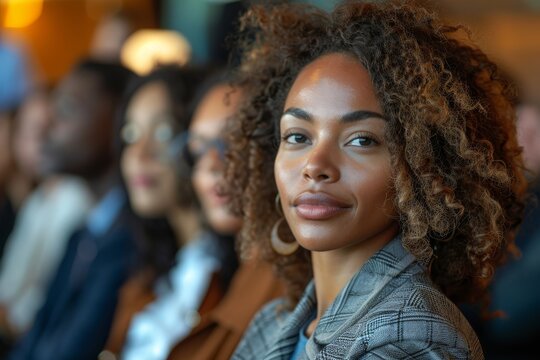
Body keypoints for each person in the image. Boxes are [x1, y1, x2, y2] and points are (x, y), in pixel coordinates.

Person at [227, 1, 526, 359]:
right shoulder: (273, 324)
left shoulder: (412, 340)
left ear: (424, 170)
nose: (314, 165)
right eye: (297, 136)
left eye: (361, 140)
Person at [99, 65, 239, 360]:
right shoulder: (148, 273)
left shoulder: (235, 278)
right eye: (131, 134)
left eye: (162, 132)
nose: (139, 153)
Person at [8, 59, 137, 360]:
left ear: (118, 120)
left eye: (66, 110)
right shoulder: (83, 234)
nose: (47, 126)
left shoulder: (132, 239)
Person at [166, 74, 283, 360]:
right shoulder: (221, 271)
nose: (211, 164)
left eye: (231, 144)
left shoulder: (282, 286)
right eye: (198, 147)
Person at [0, 88, 93, 343]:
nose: (41, 140)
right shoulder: (37, 200)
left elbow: (43, 297)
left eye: (49, 126)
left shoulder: (75, 198)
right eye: (30, 131)